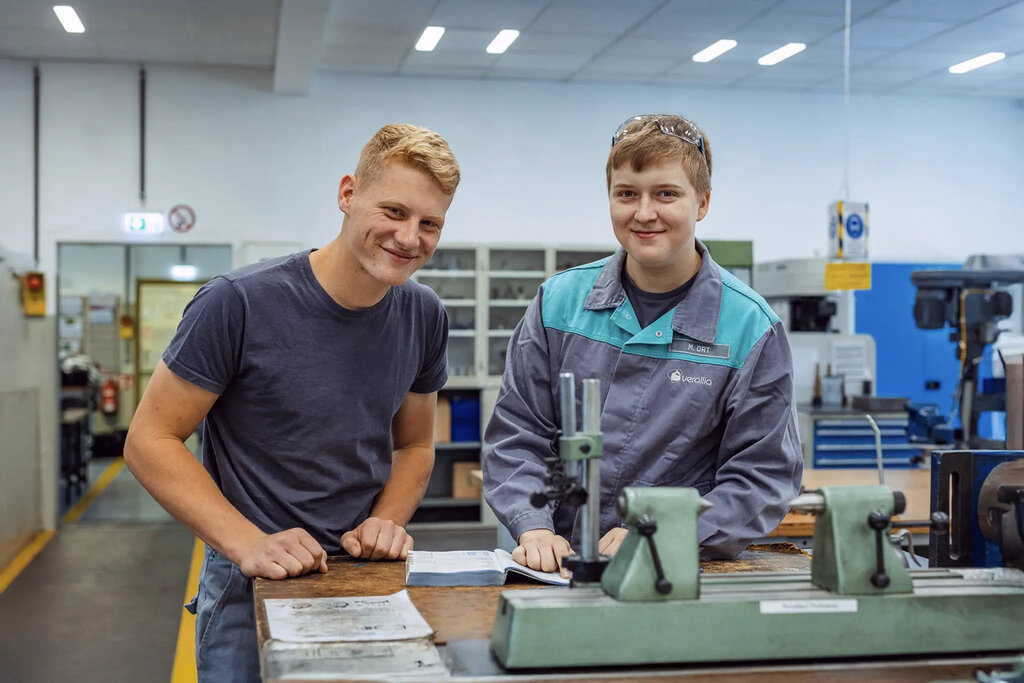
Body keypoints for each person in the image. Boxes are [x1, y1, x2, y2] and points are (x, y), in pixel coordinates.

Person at [124, 123, 460, 682]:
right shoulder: (237, 302)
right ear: (348, 194)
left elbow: (415, 445)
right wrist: (247, 543)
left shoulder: (423, 314)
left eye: (430, 224)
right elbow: (149, 441)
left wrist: (387, 520)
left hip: (362, 575)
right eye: (394, 212)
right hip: (249, 579)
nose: (409, 237)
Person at [482, 114, 802, 575]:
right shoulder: (559, 304)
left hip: (674, 573)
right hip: (559, 570)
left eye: (666, 194)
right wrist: (533, 525)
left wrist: (665, 529)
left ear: (703, 202)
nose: (644, 213)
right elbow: (518, 434)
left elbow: (761, 476)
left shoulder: (750, 327)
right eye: (627, 193)